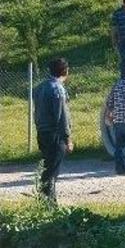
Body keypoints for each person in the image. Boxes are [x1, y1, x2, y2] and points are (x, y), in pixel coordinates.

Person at [33, 58, 73, 202]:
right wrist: (67, 138)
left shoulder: (39, 87)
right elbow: (62, 116)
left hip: (42, 132)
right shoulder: (58, 89)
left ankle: (45, 200)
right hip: (55, 134)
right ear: (65, 71)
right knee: (52, 171)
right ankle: (48, 202)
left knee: (48, 167)